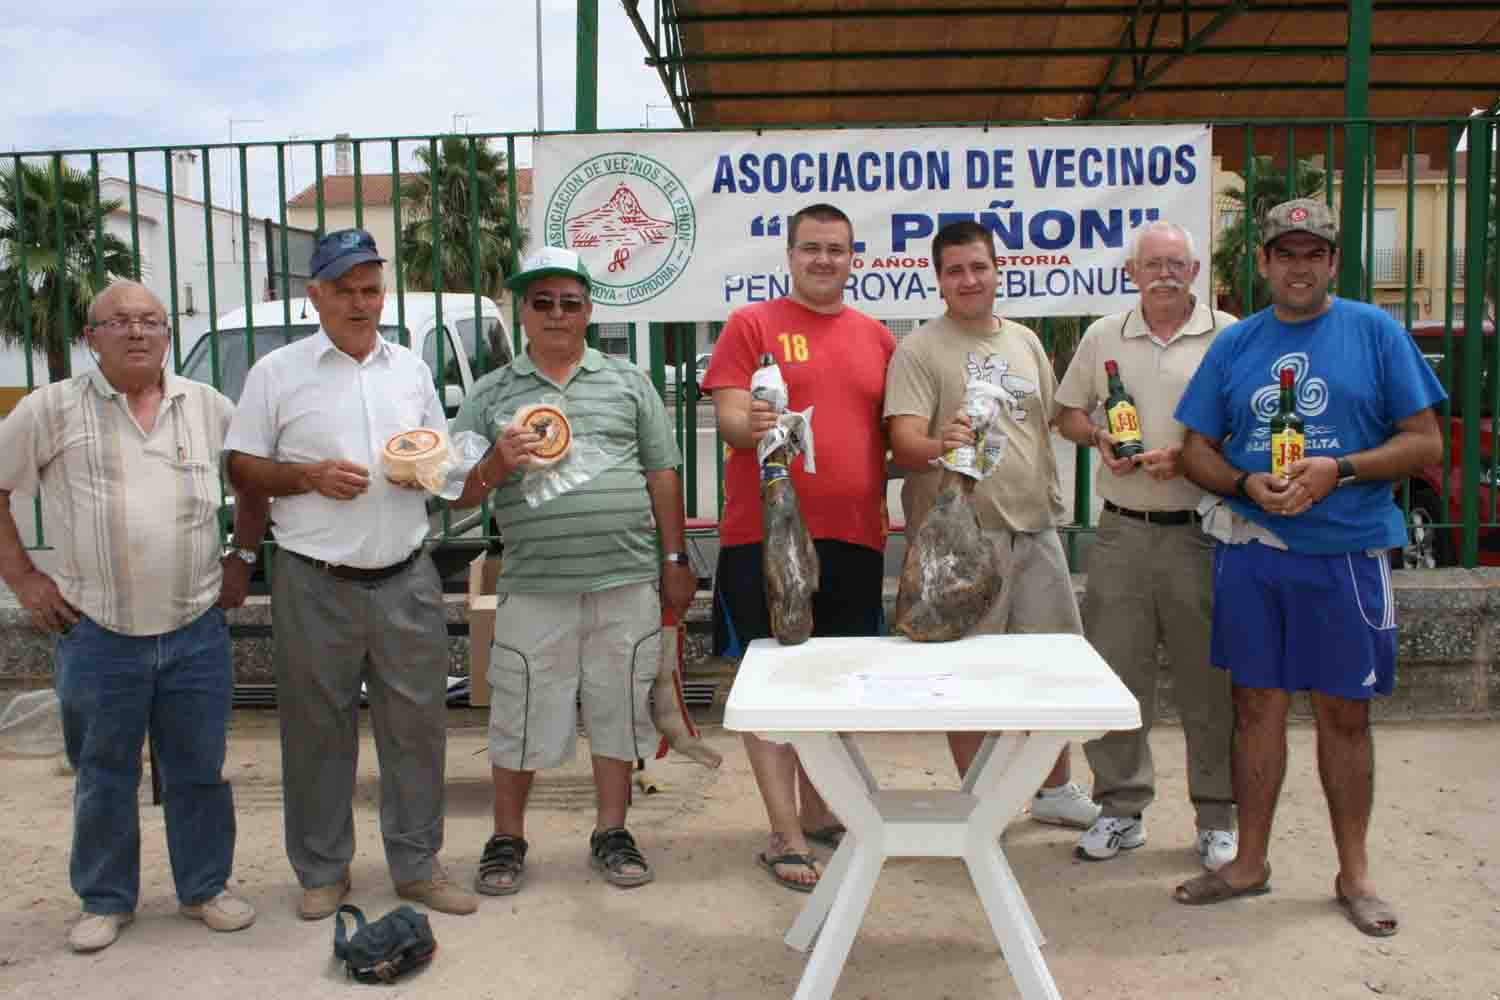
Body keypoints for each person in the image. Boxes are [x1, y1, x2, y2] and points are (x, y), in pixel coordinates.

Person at [1171, 198, 1444, 937]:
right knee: (1255, 707)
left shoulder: (1375, 332)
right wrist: (1241, 483)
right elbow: (1195, 446)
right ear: (1263, 263)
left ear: (1333, 263)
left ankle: (1354, 873)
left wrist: (1341, 468)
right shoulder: (1237, 344)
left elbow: (1425, 444)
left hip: (1346, 555)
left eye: (1313, 254)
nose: (1299, 266)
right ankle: (1249, 862)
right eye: (1285, 254)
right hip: (1254, 551)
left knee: (1343, 715)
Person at [0, 281, 262, 952]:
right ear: (92, 339)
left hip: (195, 625)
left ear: (168, 334)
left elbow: (252, 480)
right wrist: (26, 578)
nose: (137, 332)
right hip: (96, 632)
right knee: (103, 769)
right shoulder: (48, 410)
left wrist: (243, 555)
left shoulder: (207, 407)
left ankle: (205, 888)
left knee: (198, 769)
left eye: (150, 320)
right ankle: (105, 899)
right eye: (118, 322)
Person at [225, 229, 476, 920]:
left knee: (418, 729)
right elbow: (240, 468)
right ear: (315, 297)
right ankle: (322, 871)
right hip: (314, 578)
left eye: (371, 289)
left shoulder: (410, 371)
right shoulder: (276, 374)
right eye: (344, 290)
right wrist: (304, 476)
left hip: (407, 575)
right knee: (315, 731)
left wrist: (432, 468)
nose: (360, 303)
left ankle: (417, 866)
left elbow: (442, 463)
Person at [448, 247, 693, 896]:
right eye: (542, 302)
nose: (556, 314)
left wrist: (674, 559)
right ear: (522, 311)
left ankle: (612, 831)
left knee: (619, 708)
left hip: (627, 579)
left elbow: (663, 474)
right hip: (535, 585)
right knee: (522, 712)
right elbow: (454, 493)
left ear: (589, 310)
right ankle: (507, 838)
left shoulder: (628, 382)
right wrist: (496, 464)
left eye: (570, 302)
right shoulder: (491, 393)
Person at [701, 203, 896, 891]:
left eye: (836, 249)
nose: (823, 259)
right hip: (766, 534)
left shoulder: (877, 337)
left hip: (856, 537)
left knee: (838, 686)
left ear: (853, 258)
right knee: (772, 685)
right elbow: (729, 417)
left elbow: (893, 439)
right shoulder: (751, 325)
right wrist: (751, 423)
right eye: (811, 247)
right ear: (789, 255)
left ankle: (820, 810)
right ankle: (783, 833)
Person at [884, 219, 1098, 828]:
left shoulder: (1027, 342)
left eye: (979, 266)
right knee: (966, 678)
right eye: (955, 270)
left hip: (1036, 529)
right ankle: (981, 805)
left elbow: (1049, 422)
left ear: (997, 270)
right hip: (959, 541)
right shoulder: (920, 349)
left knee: (1048, 670)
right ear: (939, 280)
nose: (969, 279)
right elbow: (903, 444)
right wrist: (944, 444)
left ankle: (1055, 790)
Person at [1054, 221, 1240, 869]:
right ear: (1131, 272)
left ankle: (1217, 816)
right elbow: (1068, 413)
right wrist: (1098, 437)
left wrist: (1192, 458)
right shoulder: (1105, 334)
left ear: (1195, 272)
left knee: (1209, 681)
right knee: (1117, 676)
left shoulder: (1229, 334)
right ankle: (1120, 809)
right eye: (1151, 264)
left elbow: (1248, 425)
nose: (1164, 273)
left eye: (1176, 264)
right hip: (1122, 531)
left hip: (1202, 534)